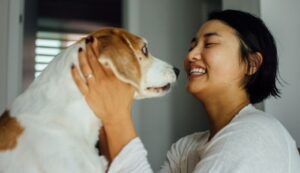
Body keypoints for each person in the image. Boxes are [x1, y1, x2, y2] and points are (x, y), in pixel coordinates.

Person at [71, 9, 300, 172]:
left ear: (251, 63)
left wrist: (117, 117)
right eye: (192, 46)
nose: (190, 56)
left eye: (209, 44)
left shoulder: (256, 133)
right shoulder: (186, 148)